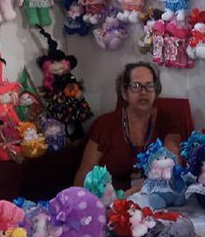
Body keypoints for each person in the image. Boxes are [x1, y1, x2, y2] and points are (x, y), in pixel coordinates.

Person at [73, 62, 183, 195]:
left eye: (149, 86)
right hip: (109, 203)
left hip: (154, 200)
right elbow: (81, 181)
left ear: (156, 91)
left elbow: (172, 168)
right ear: (124, 93)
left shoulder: (169, 122)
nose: (143, 92)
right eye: (136, 86)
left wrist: (132, 193)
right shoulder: (104, 125)